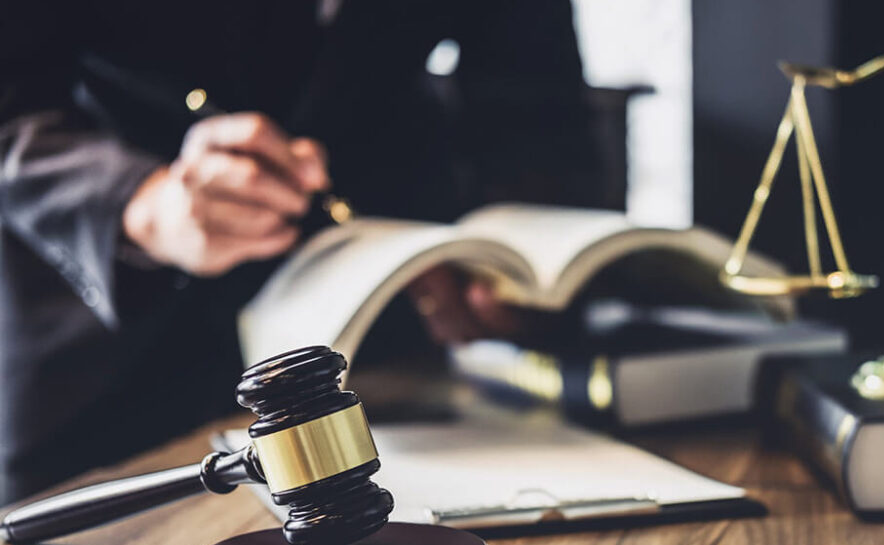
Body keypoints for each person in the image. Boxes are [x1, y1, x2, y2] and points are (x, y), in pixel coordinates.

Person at [0, 0, 601, 503]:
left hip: (382, 358)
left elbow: (535, 108)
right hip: (103, 372)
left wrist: (498, 256)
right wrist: (138, 202)